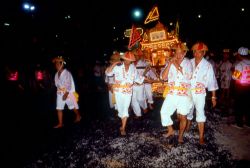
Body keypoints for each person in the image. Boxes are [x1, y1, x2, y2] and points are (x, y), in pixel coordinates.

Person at [105, 51, 146, 136]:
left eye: (129, 60)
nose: (127, 62)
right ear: (123, 59)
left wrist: (148, 80)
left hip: (128, 93)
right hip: (118, 92)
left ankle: (123, 128)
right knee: (120, 110)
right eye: (126, 60)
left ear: (131, 61)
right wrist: (115, 63)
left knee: (125, 109)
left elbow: (138, 78)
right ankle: (122, 122)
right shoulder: (117, 67)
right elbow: (108, 73)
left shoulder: (133, 68)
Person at [160, 42, 193, 144]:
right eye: (176, 53)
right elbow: (163, 77)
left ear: (184, 53)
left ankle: (180, 136)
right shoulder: (169, 62)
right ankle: (170, 130)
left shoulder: (188, 63)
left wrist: (175, 63)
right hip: (172, 92)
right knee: (163, 112)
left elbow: (186, 75)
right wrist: (169, 64)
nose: (178, 55)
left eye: (180, 53)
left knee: (183, 116)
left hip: (184, 94)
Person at [186, 42, 218, 145]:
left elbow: (212, 81)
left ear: (203, 53)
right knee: (188, 110)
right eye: (195, 52)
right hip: (188, 91)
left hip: (200, 93)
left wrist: (213, 96)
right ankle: (188, 125)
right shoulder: (189, 62)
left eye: (199, 52)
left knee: (200, 113)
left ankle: (201, 136)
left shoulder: (207, 65)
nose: (196, 54)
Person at [52, 56, 81, 128]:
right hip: (59, 93)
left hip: (68, 93)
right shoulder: (56, 74)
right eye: (56, 64)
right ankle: (60, 123)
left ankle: (78, 116)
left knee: (73, 106)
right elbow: (57, 84)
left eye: (58, 64)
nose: (56, 65)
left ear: (62, 64)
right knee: (59, 108)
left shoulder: (67, 73)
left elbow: (69, 84)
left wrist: (66, 93)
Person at [231, 47, 250, 128]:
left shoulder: (239, 65)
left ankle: (239, 124)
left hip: (241, 87)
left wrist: (233, 73)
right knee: (248, 105)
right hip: (249, 87)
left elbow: (235, 77)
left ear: (239, 55)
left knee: (239, 105)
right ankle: (248, 123)